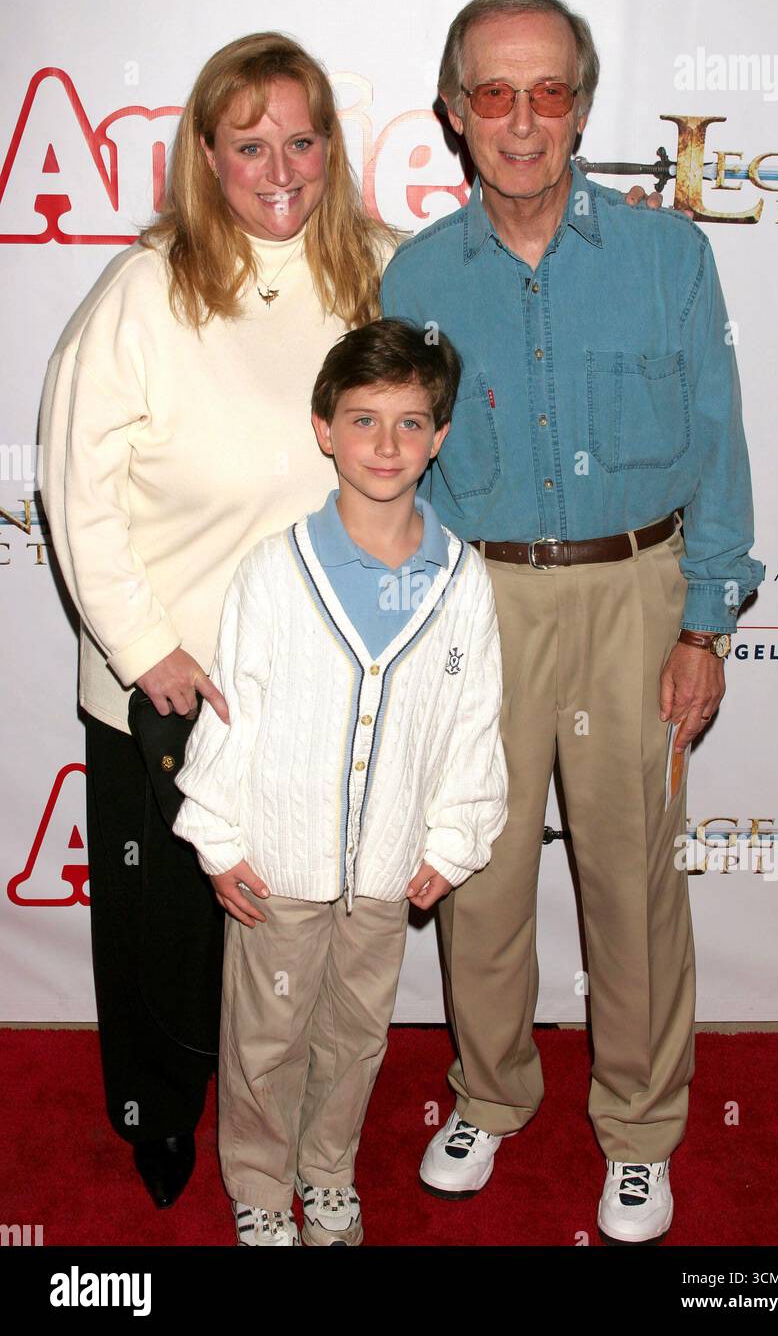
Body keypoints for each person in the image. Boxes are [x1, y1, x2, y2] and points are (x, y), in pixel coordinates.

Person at [380, 0, 765, 1245]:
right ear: (453, 113)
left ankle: (643, 1128)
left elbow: (717, 441)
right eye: (494, 93)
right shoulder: (418, 275)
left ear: (584, 107)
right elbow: (394, 471)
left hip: (633, 602)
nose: (523, 120)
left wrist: (703, 624)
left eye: (548, 91)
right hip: (475, 608)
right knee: (480, 875)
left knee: (630, 883)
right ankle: (489, 1094)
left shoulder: (668, 255)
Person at [36, 31, 399, 1208]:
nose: (278, 166)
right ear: (205, 153)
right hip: (171, 684)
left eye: (301, 139)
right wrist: (148, 654)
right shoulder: (146, 287)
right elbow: (74, 488)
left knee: (297, 930)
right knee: (166, 934)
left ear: (331, 146)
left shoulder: (381, 275)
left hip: (323, 686)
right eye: (249, 144)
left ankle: (289, 1119)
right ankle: (155, 1118)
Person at [170, 317, 508, 1246]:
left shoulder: (462, 582)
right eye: (363, 421)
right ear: (324, 428)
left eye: (409, 423)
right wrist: (220, 839)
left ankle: (326, 1174)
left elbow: (472, 724)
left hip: (388, 871)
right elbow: (230, 711)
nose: (386, 445)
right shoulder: (277, 574)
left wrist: (452, 841)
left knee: (356, 1037)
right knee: (265, 1039)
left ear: (439, 437)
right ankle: (259, 1183)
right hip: (276, 869)